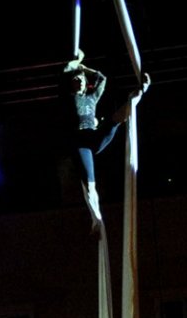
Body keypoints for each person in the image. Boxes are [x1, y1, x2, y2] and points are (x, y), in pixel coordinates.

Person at [61, 49, 150, 229]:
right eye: (75, 79)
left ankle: (139, 93)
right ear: (72, 84)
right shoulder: (68, 99)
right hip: (81, 142)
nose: (78, 80)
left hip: (94, 137)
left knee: (115, 120)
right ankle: (96, 218)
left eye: (81, 79)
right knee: (90, 184)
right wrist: (78, 62)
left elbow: (102, 78)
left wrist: (84, 69)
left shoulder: (92, 97)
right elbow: (65, 71)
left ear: (86, 84)